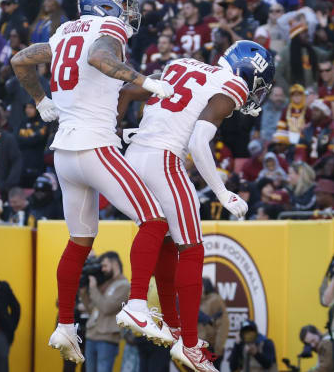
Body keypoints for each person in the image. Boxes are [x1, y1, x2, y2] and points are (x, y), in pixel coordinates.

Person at [11, 0, 175, 365]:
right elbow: (99, 58)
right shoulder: (108, 29)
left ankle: (66, 325)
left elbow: (19, 60)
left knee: (79, 240)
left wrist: (40, 99)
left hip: (64, 155)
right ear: (107, 6)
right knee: (154, 221)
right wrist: (144, 80)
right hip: (94, 146)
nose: (129, 12)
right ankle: (137, 304)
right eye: (124, 3)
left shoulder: (64, 30)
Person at [117, 39, 272, 369]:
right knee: (191, 249)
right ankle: (186, 341)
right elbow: (199, 142)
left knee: (164, 237)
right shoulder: (233, 85)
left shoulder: (181, 63)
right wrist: (222, 192)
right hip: (164, 161)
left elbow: (133, 89)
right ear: (249, 73)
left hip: (135, 155)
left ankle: (172, 326)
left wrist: (118, 128)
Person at [79, 251, 130, 372]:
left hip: (107, 339)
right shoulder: (104, 283)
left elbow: (107, 307)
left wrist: (93, 288)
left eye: (105, 265)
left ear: (115, 264)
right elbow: (92, 308)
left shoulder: (123, 285)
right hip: (91, 335)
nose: (103, 269)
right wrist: (83, 291)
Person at [199, 278, 229, 368]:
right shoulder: (196, 301)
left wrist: (218, 350)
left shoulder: (215, 300)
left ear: (205, 286)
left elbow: (223, 325)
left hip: (211, 348)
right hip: (199, 349)